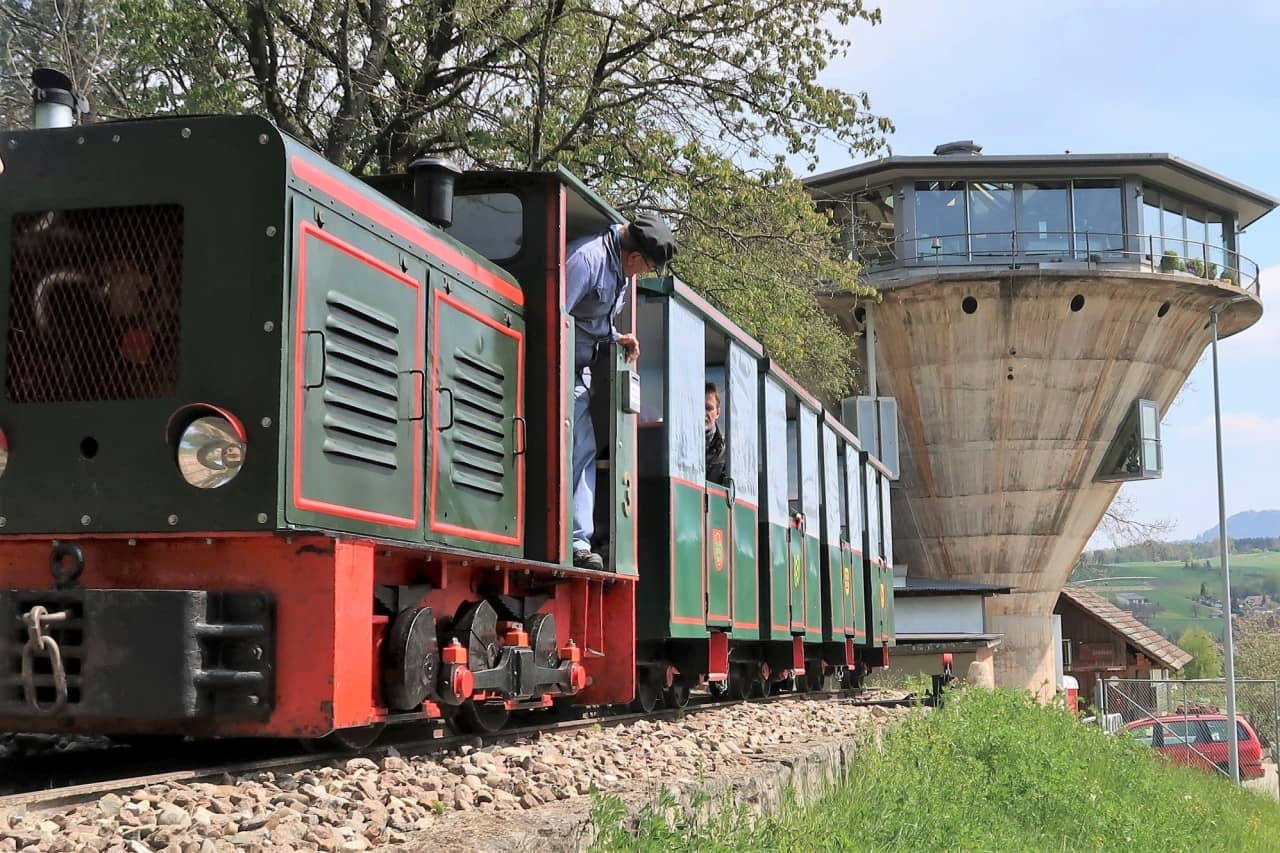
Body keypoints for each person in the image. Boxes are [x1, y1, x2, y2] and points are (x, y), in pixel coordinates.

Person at [566, 214, 677, 571]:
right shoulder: (587, 260)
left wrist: (616, 337)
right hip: (561, 365)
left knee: (585, 447)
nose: (641, 274)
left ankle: (577, 537)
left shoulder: (618, 271)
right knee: (582, 448)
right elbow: (554, 314)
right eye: (645, 267)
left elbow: (593, 323)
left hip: (581, 367)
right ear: (633, 258)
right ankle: (576, 541)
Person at [705, 382, 728, 485]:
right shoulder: (681, 446)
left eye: (708, 408)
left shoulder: (727, 452)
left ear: (717, 413)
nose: (703, 413)